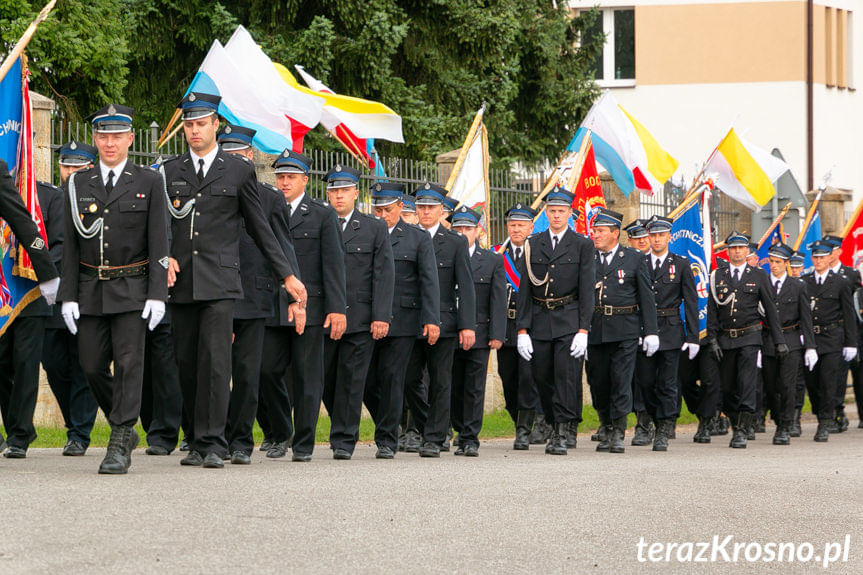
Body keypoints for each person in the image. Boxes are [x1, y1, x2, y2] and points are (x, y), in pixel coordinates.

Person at [162, 93, 305, 469]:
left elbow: (261, 229)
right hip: (182, 283)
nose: (194, 130)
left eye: (201, 123)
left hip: (221, 282)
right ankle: (194, 439)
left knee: (215, 362)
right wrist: (164, 258)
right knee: (187, 362)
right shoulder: (169, 171)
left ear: (214, 126)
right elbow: (158, 228)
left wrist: (287, 275)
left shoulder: (238, 171)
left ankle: (212, 443)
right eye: (189, 125)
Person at [57, 104, 168, 474]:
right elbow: (71, 244)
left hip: (133, 288)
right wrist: (68, 296)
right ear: (96, 138)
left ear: (130, 139)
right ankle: (124, 422)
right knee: (90, 365)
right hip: (89, 288)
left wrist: (157, 294)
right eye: (103, 135)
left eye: (117, 136)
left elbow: (159, 241)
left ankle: (120, 437)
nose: (109, 142)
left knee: (129, 363)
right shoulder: (78, 183)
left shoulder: (149, 181)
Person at [216, 124, 299, 464]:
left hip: (254, 296)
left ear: (249, 157)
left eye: (237, 154)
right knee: (215, 372)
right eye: (226, 155)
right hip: (217, 292)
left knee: (250, 374)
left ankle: (242, 441)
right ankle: (213, 437)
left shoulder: (269, 198)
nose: (232, 160)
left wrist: (294, 295)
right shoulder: (210, 193)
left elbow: (281, 246)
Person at [258, 151, 345, 462]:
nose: (284, 182)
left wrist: (337, 309)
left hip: (312, 310)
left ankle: (304, 444)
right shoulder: (265, 209)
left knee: (309, 379)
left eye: (291, 177)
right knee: (267, 371)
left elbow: (334, 265)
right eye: (280, 176)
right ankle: (281, 432)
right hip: (272, 307)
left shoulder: (322, 214)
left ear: (304, 180)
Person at [321, 167, 394, 460]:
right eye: (334, 190)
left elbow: (383, 274)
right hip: (324, 317)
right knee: (324, 379)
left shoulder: (373, 227)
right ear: (328, 194)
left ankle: (343, 439)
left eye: (344, 190)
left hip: (361, 317)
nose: (339, 196)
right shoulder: (318, 222)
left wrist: (381, 316)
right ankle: (339, 429)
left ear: (355, 193)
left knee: (352, 380)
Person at [516, 186, 595, 455]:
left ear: (570, 214)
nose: (557, 216)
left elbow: (586, 290)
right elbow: (524, 290)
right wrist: (522, 330)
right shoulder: (532, 243)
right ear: (546, 213)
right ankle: (553, 420)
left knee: (566, 376)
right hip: (539, 319)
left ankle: (562, 430)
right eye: (552, 211)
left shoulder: (582, 244)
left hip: (568, 319)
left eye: (561, 211)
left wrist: (584, 329)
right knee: (541, 377)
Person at [363, 183, 439, 459]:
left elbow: (429, 281)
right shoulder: (367, 232)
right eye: (378, 209)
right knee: (368, 381)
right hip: (368, 319)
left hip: (403, 320)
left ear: (399, 207)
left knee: (393, 378)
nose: (382, 214)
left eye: (387, 209)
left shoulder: (417, 238)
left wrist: (431, 319)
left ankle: (386, 439)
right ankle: (390, 423)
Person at [404, 183, 475, 458]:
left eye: (430, 207)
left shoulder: (455, 242)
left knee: (441, 381)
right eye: (421, 206)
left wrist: (467, 325)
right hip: (411, 320)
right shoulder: (406, 236)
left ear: (442, 210)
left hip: (444, 322)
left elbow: (466, 287)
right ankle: (430, 427)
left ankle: (434, 438)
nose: (424, 212)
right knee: (409, 380)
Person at [40, 142, 99, 456]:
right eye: (66, 166)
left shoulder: (101, 199)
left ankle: (79, 433)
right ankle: (73, 423)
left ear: (91, 168)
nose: (71, 173)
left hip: (89, 295)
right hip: (53, 295)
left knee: (84, 365)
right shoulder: (48, 198)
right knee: (53, 362)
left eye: (78, 168)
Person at [0, 173, 63, 459]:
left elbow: (31, 229)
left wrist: (49, 275)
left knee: (25, 362)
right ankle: (13, 428)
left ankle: (20, 433)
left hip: (31, 287)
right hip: (3, 287)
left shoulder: (46, 195)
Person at [587, 208, 658, 454]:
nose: (595, 235)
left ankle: (618, 430)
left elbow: (646, 296)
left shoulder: (634, 258)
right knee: (599, 382)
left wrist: (651, 331)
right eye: (594, 231)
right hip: (595, 329)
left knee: (621, 380)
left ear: (615, 233)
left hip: (625, 329)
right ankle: (605, 425)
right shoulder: (588, 258)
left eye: (600, 231)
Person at [705, 231, 785, 449]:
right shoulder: (717, 275)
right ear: (728, 251)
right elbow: (712, 310)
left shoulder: (758, 275)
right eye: (733, 248)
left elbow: (770, 310)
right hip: (725, 338)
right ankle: (735, 420)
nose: (737, 251)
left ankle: (742, 428)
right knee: (728, 386)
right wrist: (711, 339)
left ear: (747, 250)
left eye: (741, 248)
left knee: (747, 383)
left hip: (750, 337)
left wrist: (779, 340)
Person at [635, 215, 699, 451]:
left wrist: (693, 337)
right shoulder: (639, 262)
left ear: (669, 237)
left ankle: (665, 426)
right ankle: (654, 418)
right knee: (646, 381)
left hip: (671, 330)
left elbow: (691, 302)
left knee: (668, 382)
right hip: (644, 330)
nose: (657, 239)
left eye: (661, 235)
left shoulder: (680, 264)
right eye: (653, 235)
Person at [449, 207, 505, 456]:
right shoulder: (443, 256)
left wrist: (497, 333)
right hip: (449, 332)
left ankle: (470, 436)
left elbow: (497, 300)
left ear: (477, 231)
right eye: (457, 229)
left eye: (467, 229)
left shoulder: (491, 260)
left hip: (480, 334)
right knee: (451, 384)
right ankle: (457, 429)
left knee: (474, 386)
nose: (462, 234)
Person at [496, 203, 542, 450]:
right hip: (505, 326)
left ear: (531, 227)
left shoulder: (538, 254)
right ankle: (519, 421)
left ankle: (525, 429)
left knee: (527, 378)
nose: (516, 229)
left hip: (532, 326)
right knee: (508, 379)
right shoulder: (497, 255)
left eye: (521, 225)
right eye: (512, 225)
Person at [760, 243, 817, 445]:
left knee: (787, 385)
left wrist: (810, 346)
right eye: (771, 262)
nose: (773, 266)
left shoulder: (798, 286)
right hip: (767, 341)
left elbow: (806, 318)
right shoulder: (763, 282)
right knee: (770, 386)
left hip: (791, 340)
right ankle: (778, 417)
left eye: (777, 262)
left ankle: (785, 425)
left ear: (786, 263)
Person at [802, 240, 856, 442]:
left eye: (822, 257)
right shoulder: (804, 282)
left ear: (829, 258)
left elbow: (849, 314)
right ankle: (820, 412)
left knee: (828, 381)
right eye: (815, 257)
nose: (818, 261)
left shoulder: (841, 282)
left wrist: (851, 343)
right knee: (812, 382)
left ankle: (825, 421)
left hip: (832, 338)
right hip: (811, 338)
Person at [822, 234, 861, 432]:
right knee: (830, 375)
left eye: (833, 250)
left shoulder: (851, 275)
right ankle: (833, 410)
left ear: (839, 252)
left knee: (846, 373)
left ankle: (843, 411)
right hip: (827, 333)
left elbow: (853, 308)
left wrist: (852, 338)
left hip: (846, 330)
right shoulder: (818, 275)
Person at [624, 218, 655, 445]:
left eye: (645, 237)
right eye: (637, 238)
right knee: (629, 378)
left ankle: (648, 423)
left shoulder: (662, 262)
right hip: (628, 327)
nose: (642, 242)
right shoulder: (624, 262)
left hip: (655, 328)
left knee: (649, 379)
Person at [787, 250, 807, 436]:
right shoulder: (785, 285)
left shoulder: (806, 285)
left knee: (799, 380)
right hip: (789, 336)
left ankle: (796, 416)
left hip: (802, 336)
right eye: (791, 267)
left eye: (797, 267)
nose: (794, 270)